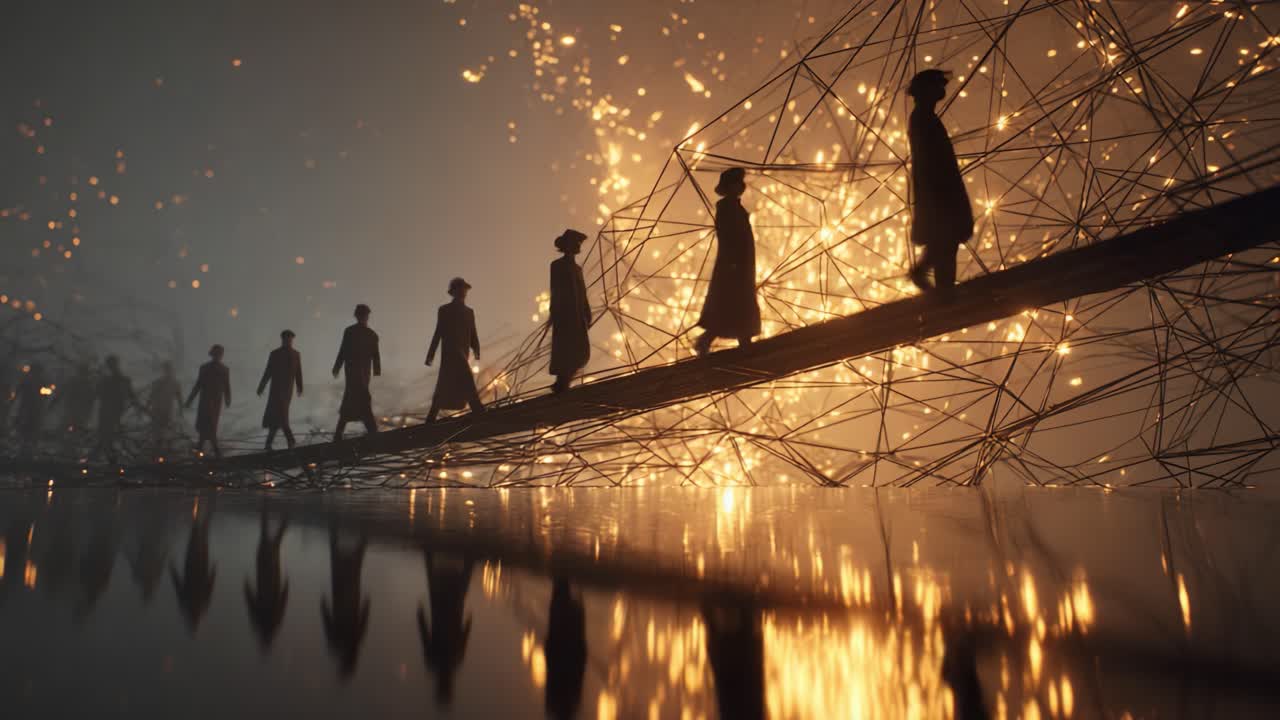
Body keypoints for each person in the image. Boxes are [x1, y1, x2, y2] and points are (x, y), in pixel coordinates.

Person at [906, 69, 974, 293]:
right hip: (939, 188)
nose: (942, 89)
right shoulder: (922, 118)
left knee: (946, 239)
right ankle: (940, 288)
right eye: (938, 85)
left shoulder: (924, 117)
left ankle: (942, 288)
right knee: (946, 237)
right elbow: (928, 158)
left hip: (940, 187)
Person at [694, 167, 762, 355]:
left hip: (740, 261)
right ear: (729, 187)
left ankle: (743, 340)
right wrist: (732, 261)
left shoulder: (734, 207)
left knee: (740, 300)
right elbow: (727, 235)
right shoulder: (726, 208)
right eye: (736, 184)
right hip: (734, 262)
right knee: (732, 300)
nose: (740, 187)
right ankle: (709, 340)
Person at [418, 550, 475, 706]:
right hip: (445, 609)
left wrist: (468, 623)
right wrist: (420, 616)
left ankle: (470, 556)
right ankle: (429, 554)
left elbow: (464, 636)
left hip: (448, 609)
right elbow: (425, 634)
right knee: (442, 586)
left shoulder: (450, 661)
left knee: (458, 587)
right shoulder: (440, 661)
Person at [425, 278, 484, 422]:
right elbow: (438, 332)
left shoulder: (470, 312)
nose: (463, 292)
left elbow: (472, 332)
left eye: (464, 289)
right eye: (459, 289)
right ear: (454, 292)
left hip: (463, 352)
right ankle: (478, 409)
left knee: (445, 385)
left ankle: (431, 417)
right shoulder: (444, 310)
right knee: (466, 378)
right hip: (450, 353)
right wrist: (430, 355)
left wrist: (476, 348)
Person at [548, 229, 592, 394]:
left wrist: (587, 313)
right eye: (576, 242)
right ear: (567, 246)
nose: (578, 246)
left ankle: (563, 383)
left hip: (578, 314)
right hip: (564, 313)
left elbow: (583, 292)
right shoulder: (557, 265)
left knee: (579, 350)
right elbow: (555, 290)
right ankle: (561, 384)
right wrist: (555, 312)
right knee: (565, 348)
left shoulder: (578, 269)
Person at [332, 304, 381, 442]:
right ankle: (371, 430)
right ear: (357, 316)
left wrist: (376, 370)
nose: (363, 317)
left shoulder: (372, 335)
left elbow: (376, 355)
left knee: (358, 398)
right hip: (353, 371)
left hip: (364, 372)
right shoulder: (349, 332)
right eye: (361, 315)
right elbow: (343, 350)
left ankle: (340, 433)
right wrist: (337, 366)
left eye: (364, 315)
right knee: (356, 398)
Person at [257, 330, 304, 450]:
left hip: (287, 389)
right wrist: (261, 386)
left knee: (280, 414)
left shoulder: (296, 354)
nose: (288, 341)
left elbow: (298, 372)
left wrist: (299, 386)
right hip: (276, 389)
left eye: (290, 339)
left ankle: (274, 442)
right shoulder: (275, 354)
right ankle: (288, 441)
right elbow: (268, 371)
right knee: (278, 415)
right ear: (282, 339)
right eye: (286, 339)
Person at [186, 345, 231, 458]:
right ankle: (209, 449)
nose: (217, 356)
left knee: (211, 424)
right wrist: (190, 399)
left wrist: (227, 398)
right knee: (204, 424)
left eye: (219, 354)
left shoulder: (224, 369)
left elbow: (226, 386)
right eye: (215, 354)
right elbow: (198, 385)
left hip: (216, 401)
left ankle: (209, 448)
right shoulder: (204, 368)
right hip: (205, 399)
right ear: (212, 354)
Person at [95, 355, 135, 462]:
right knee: (106, 434)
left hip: (112, 410)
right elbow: (98, 393)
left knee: (108, 434)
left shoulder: (119, 379)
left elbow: (130, 394)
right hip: (108, 410)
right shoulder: (109, 379)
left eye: (110, 364)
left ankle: (109, 457)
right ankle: (107, 456)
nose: (110, 366)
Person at [147, 361, 183, 454]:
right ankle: (158, 449)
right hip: (158, 409)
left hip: (167, 410)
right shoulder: (158, 382)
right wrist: (147, 405)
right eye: (166, 369)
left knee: (167, 429)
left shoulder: (175, 383)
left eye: (169, 369)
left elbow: (179, 397)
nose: (168, 371)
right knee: (158, 430)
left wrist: (181, 409)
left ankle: (166, 449)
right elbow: (152, 395)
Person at [15, 363, 50, 456]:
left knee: (29, 425)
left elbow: (45, 393)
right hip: (31, 406)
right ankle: (26, 445)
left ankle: (26, 445)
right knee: (30, 425)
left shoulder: (28, 379)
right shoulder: (34, 380)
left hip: (31, 406)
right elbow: (46, 393)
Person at [58, 360, 97, 435]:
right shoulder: (88, 383)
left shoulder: (74, 381)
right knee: (75, 429)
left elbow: (62, 392)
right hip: (78, 411)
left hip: (73, 410)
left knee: (68, 428)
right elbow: (92, 398)